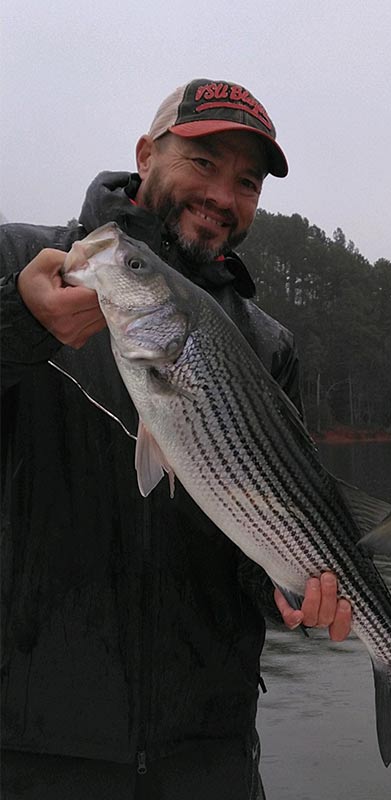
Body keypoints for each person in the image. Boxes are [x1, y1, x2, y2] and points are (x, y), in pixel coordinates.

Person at [0, 78, 352, 800]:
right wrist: (16, 321)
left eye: (246, 181)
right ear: (144, 155)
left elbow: (262, 516)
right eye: (204, 163)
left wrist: (290, 585)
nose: (225, 195)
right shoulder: (22, 262)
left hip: (209, 753)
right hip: (33, 746)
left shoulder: (266, 344)